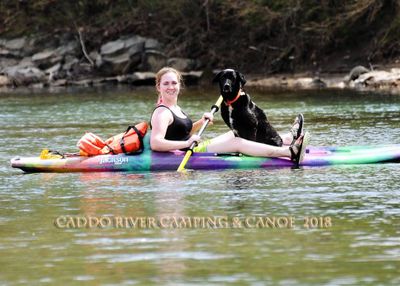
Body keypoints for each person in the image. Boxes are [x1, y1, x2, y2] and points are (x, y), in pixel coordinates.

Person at [150, 67, 310, 163]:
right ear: (159, 87)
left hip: (193, 146)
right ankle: (289, 152)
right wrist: (186, 144)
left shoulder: (174, 107)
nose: (171, 87)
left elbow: (180, 133)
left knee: (235, 132)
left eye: (174, 83)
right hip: (188, 152)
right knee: (237, 141)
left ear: (179, 85)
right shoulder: (162, 112)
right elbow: (156, 143)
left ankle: (288, 138)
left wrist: (200, 122)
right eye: (166, 83)